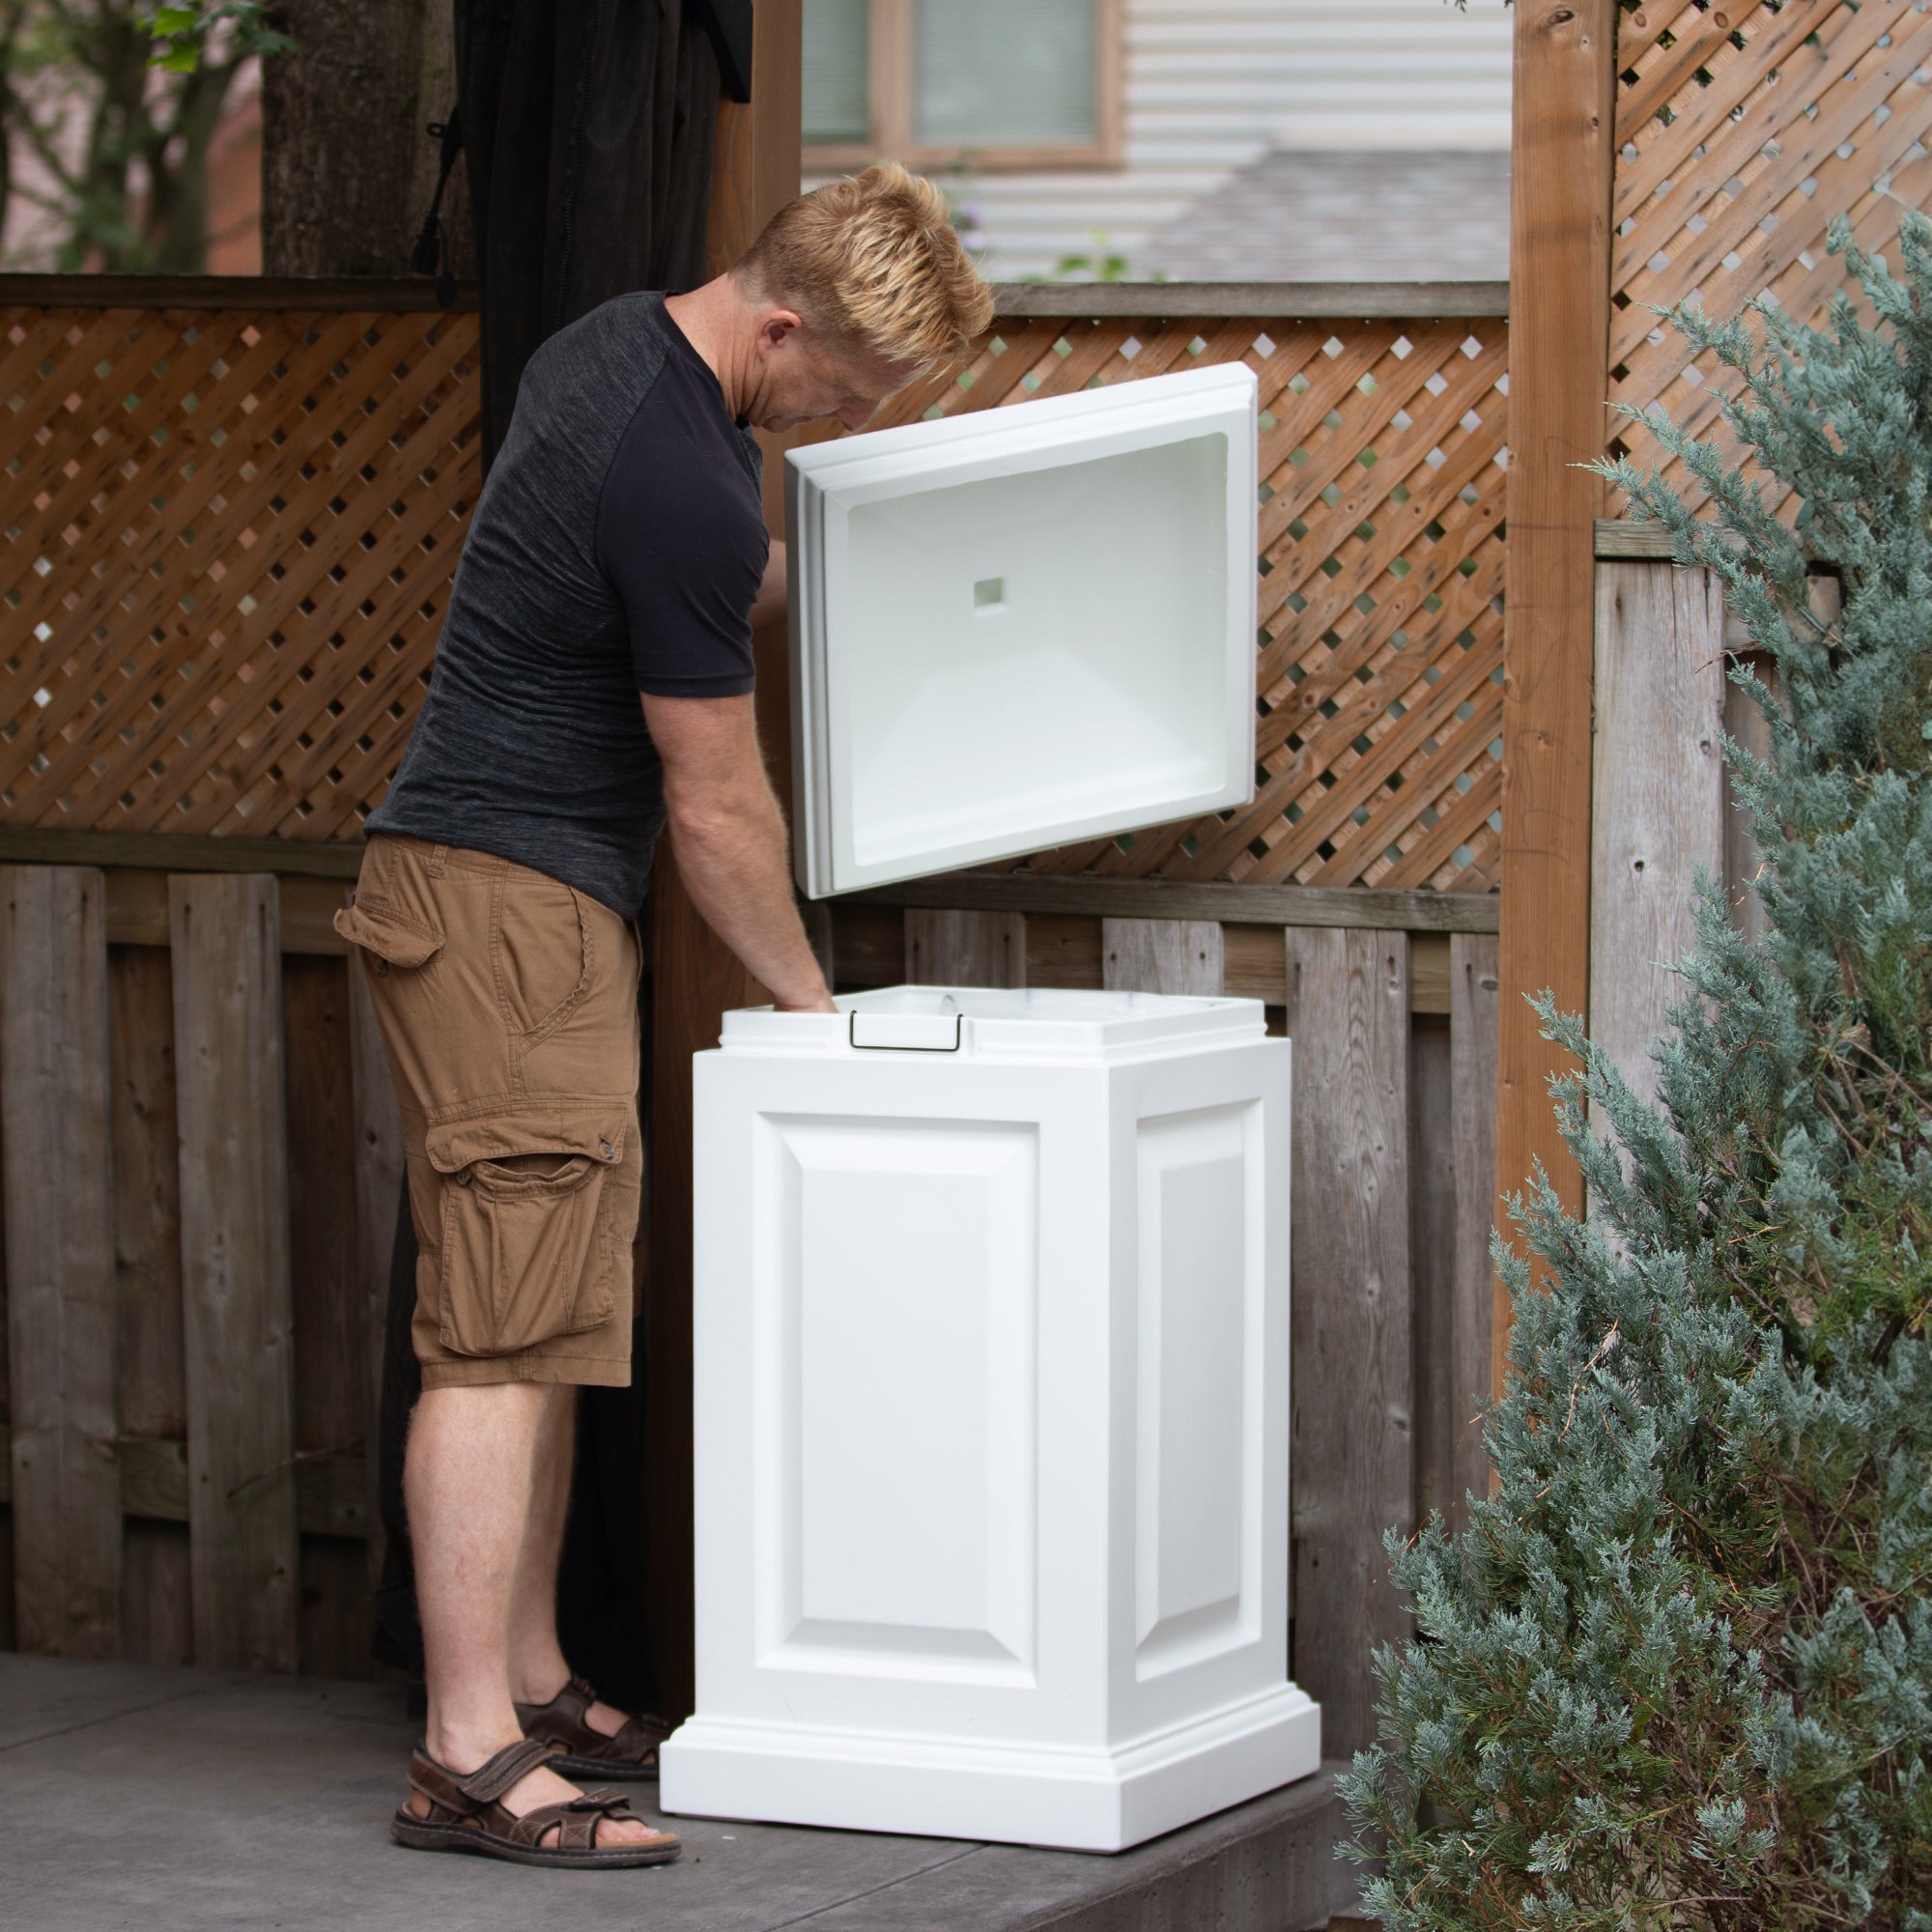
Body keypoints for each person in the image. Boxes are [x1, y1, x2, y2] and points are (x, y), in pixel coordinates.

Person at [336, 162, 993, 1869]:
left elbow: (676, 574)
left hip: (492, 895)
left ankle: (538, 1682)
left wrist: (850, 569)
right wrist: (815, 1007)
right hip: (509, 905)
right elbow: (717, 809)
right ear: (783, 325)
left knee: (543, 1310)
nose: (843, 413)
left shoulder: (615, 351)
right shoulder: (685, 471)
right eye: (845, 389)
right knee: (494, 1335)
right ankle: (466, 1754)